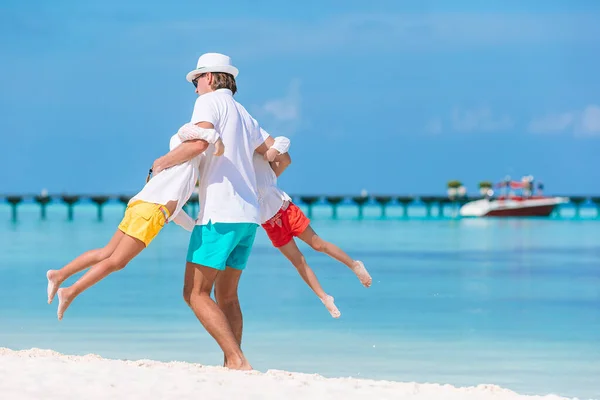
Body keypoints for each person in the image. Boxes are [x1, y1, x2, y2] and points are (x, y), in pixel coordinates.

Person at [150, 52, 276, 371]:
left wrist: (160, 164)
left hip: (220, 215)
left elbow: (199, 143)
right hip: (249, 217)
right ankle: (232, 363)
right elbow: (277, 156)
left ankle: (236, 360)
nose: (194, 88)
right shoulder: (244, 113)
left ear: (209, 77)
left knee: (195, 293)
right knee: (228, 296)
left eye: (196, 80)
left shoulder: (208, 103)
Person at [179, 128, 372, 318]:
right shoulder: (230, 166)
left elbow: (283, 141)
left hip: (284, 209)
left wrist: (273, 152)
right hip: (268, 223)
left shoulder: (254, 146)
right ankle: (324, 297)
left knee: (317, 244)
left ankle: (354, 265)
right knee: (298, 261)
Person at [45, 123, 224, 320]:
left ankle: (58, 275)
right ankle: (69, 292)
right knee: (116, 262)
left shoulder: (179, 166)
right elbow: (192, 134)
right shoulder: (184, 145)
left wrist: (196, 229)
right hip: (151, 211)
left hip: (141, 205)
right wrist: (215, 137)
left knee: (106, 252)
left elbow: (177, 214)